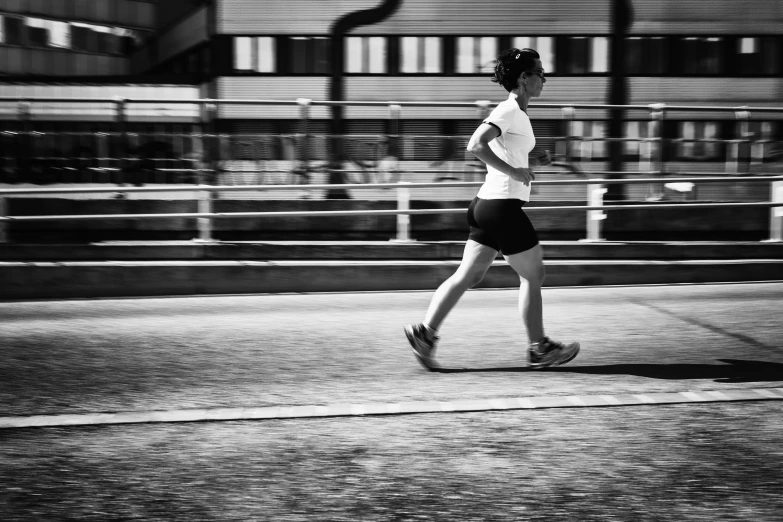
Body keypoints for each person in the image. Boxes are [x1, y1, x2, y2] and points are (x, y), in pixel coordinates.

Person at [404, 48, 580, 371]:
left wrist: (531, 160)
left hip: (486, 205)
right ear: (524, 78)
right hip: (502, 208)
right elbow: (475, 145)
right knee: (534, 274)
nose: (544, 78)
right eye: (540, 73)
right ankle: (539, 347)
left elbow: (505, 150)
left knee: (468, 275)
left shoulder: (518, 114)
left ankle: (425, 335)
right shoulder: (509, 109)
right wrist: (514, 173)